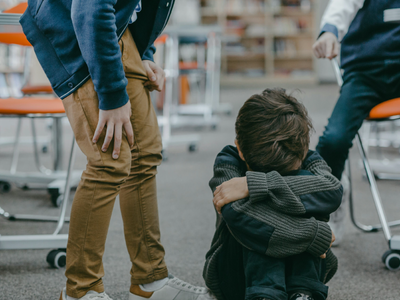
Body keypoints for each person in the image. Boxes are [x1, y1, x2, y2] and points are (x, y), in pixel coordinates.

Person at [20, 1, 215, 300]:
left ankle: (150, 280)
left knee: (145, 154)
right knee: (108, 161)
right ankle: (80, 290)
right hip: (78, 30)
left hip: (117, 32)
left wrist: (143, 53)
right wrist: (112, 96)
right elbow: (89, 11)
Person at [203, 88, 343, 300]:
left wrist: (257, 183)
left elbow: (332, 190)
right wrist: (314, 234)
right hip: (236, 277)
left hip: (301, 275)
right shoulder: (228, 161)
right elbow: (237, 215)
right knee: (251, 218)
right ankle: (265, 295)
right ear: (239, 150)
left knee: (306, 184)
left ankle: (302, 294)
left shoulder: (308, 159)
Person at [312, 0, 400, 244]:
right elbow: (342, 4)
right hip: (366, 72)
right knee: (333, 140)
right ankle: (330, 202)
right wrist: (329, 30)